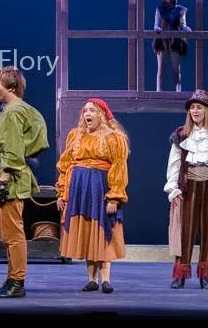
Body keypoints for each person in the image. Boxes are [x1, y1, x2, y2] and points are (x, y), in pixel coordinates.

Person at [0, 66, 49, 298]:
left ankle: (17, 281)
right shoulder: (21, 109)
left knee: (13, 234)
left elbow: (12, 150)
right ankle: (12, 279)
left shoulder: (13, 112)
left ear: (10, 87)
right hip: (11, 174)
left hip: (10, 177)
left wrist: (3, 181)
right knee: (10, 234)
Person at [56, 98, 129, 294]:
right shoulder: (75, 135)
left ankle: (105, 279)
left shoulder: (113, 137)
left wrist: (114, 197)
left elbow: (119, 168)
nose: (87, 114)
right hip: (79, 190)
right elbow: (64, 166)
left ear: (102, 115)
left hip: (100, 189)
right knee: (87, 231)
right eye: (85, 111)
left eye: (92, 110)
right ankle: (91, 279)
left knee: (102, 230)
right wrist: (62, 193)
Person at [164, 90, 208, 290]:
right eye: (192, 108)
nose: (195, 111)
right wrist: (173, 188)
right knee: (185, 232)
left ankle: (205, 276)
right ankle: (181, 275)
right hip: (187, 187)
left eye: (199, 107)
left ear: (207, 110)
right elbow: (174, 162)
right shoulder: (182, 133)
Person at [153, 0, 191, 92]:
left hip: (176, 41)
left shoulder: (180, 10)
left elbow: (182, 24)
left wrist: (185, 28)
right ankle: (158, 92)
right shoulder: (160, 9)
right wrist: (157, 28)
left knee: (176, 68)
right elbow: (156, 24)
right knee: (161, 68)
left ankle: (178, 92)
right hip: (162, 40)